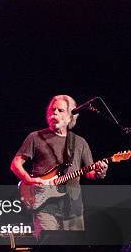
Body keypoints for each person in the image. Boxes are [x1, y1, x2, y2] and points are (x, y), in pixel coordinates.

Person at [10, 95, 108, 238]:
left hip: (73, 208)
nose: (54, 113)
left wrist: (101, 171)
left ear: (70, 116)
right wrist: (30, 180)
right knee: (50, 250)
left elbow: (90, 173)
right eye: (52, 110)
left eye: (60, 110)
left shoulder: (80, 142)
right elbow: (15, 164)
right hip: (44, 206)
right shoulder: (35, 137)